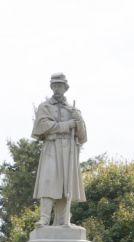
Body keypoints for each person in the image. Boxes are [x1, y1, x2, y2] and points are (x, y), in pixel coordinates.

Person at [32, 72, 87, 227]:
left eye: (60, 85)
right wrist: (67, 125)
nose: (57, 88)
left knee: (66, 185)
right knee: (48, 181)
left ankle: (63, 220)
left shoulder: (73, 109)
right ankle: (44, 218)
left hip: (69, 149)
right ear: (51, 87)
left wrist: (79, 120)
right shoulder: (45, 107)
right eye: (55, 85)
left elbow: (82, 136)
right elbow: (42, 126)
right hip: (52, 147)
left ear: (65, 87)